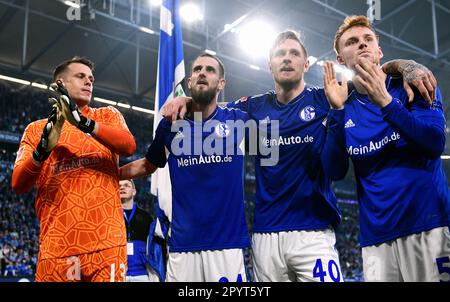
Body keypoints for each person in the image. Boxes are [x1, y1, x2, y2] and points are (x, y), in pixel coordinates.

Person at [161, 31, 438, 282]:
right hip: (265, 235)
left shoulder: (327, 96)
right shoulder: (252, 108)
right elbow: (211, 106)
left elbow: (370, 71)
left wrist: (405, 65)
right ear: (270, 65)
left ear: (307, 65)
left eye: (295, 53)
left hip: (313, 232)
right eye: (280, 54)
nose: (287, 58)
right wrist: (186, 100)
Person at [322, 15, 450, 282]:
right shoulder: (344, 105)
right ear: (340, 59)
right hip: (376, 240)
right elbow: (334, 170)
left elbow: (434, 143)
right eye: (352, 42)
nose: (362, 45)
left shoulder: (413, 82)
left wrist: (386, 103)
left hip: (428, 226)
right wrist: (336, 112)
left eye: (368, 39)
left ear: (379, 50)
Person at [119, 53, 251, 282]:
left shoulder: (238, 119)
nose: (202, 72)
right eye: (197, 69)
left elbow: (276, 106)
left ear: (221, 84)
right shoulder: (170, 125)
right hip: (182, 246)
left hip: (226, 246)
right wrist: (110, 174)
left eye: (210, 70)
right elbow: (148, 165)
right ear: (189, 82)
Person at [11, 57, 136, 282]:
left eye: (91, 79)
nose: (89, 82)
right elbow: (18, 184)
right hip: (56, 247)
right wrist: (41, 151)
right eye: (81, 76)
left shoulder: (107, 115)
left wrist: (83, 123)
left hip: (106, 244)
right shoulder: (36, 130)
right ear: (60, 83)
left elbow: (128, 145)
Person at [119, 179, 164, 282]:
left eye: (126, 185)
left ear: (134, 192)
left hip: (142, 274)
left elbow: (154, 249)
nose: (122, 187)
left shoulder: (146, 217)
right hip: (118, 273)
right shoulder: (111, 218)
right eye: (119, 186)